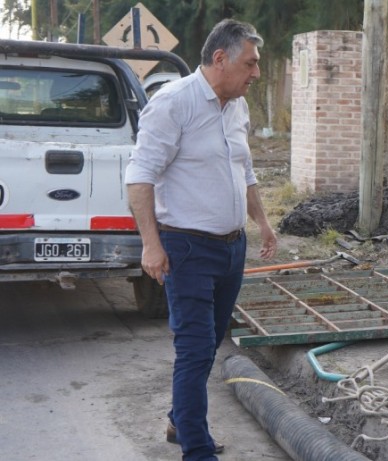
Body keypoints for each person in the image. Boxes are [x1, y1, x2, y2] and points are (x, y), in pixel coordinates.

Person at [125, 19, 277, 461]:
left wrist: (263, 222)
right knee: (193, 350)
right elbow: (140, 177)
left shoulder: (237, 106)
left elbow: (243, 171)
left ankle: (179, 419)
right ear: (219, 59)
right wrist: (151, 245)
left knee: (209, 343)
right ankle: (197, 449)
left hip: (231, 248)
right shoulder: (174, 103)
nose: (256, 73)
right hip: (187, 249)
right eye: (250, 63)